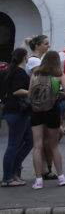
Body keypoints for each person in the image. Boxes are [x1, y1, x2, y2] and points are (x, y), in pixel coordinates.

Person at [29, 51, 65, 189]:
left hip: (36, 112)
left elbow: (30, 95)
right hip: (52, 111)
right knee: (53, 146)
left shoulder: (35, 73)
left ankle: (38, 180)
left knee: (37, 145)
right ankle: (61, 177)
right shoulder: (59, 74)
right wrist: (58, 93)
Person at [2, 48, 32, 187]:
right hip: (17, 111)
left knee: (29, 141)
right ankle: (7, 177)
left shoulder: (8, 71)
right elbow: (17, 90)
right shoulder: (19, 72)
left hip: (14, 111)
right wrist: (32, 92)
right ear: (25, 57)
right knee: (13, 145)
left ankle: (13, 172)